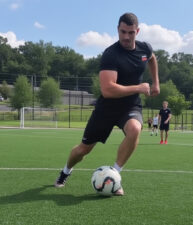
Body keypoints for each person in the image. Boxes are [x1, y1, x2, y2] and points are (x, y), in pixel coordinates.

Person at [54, 13, 160, 195]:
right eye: (123, 32)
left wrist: (156, 82)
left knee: (135, 129)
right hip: (107, 108)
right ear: (117, 30)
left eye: (131, 33)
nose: (126, 37)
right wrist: (138, 87)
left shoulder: (145, 49)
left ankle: (114, 177)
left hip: (130, 107)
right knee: (82, 150)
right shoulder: (111, 55)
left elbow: (152, 58)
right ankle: (65, 172)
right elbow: (108, 90)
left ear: (138, 31)